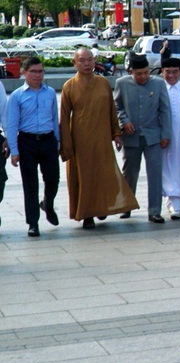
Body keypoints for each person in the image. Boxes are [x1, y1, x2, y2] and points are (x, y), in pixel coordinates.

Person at [60, 48, 139, 229]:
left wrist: (116, 134)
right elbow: (64, 118)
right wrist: (66, 145)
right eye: (82, 60)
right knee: (85, 175)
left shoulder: (103, 83)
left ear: (95, 62)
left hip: (102, 137)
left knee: (104, 173)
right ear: (74, 63)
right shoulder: (69, 86)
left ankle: (102, 207)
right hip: (81, 139)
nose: (87, 64)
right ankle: (87, 214)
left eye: (90, 60)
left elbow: (112, 110)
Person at [114, 53, 172, 223]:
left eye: (146, 73)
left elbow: (165, 110)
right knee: (130, 172)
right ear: (131, 71)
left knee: (155, 173)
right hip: (131, 136)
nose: (143, 77)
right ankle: (127, 205)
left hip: (153, 136)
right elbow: (116, 106)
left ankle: (154, 210)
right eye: (139, 74)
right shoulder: (122, 84)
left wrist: (166, 134)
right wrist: (124, 121)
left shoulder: (158, 83)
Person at [5, 57, 57, 237]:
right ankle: (33, 223)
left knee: (53, 179)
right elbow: (12, 124)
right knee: (30, 184)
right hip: (27, 142)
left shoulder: (50, 93)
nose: (37, 75)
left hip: (48, 140)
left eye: (41, 71)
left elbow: (54, 120)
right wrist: (14, 150)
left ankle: (48, 204)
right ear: (24, 73)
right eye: (33, 72)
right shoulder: (17, 96)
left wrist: (57, 142)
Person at [159, 58, 180, 219]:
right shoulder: (158, 89)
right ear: (162, 72)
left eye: (175, 72)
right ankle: (175, 202)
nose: (171, 75)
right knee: (166, 168)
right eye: (168, 72)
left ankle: (174, 199)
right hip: (163, 137)